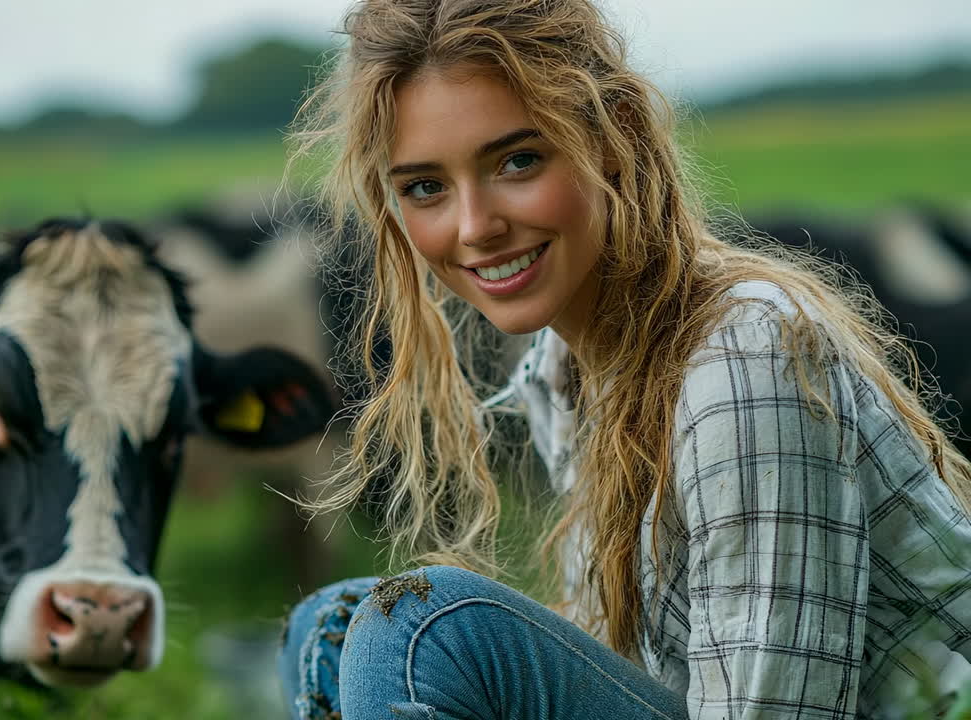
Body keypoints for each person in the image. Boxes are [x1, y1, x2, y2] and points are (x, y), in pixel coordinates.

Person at [273, 0, 971, 718]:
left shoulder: (745, 361)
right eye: (426, 188)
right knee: (329, 628)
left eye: (519, 160)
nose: (475, 227)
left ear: (613, 137)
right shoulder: (565, 369)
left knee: (417, 629)